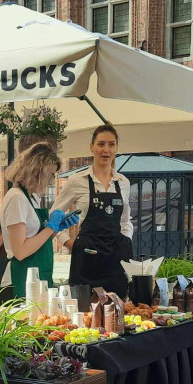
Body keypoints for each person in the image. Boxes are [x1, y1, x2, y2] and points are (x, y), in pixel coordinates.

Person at [52, 124, 133, 299]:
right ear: (92, 147)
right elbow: (53, 215)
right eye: (101, 144)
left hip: (116, 260)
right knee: (83, 311)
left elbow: (126, 220)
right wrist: (67, 242)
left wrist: (126, 240)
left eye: (111, 145)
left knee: (117, 313)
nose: (106, 150)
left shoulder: (123, 182)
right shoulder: (76, 181)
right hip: (87, 259)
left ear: (116, 148)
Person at [1, 142, 78, 297]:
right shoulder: (17, 198)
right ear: (36, 171)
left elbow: (34, 240)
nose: (51, 182)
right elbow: (21, 251)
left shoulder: (30, 198)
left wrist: (55, 229)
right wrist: (50, 227)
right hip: (20, 280)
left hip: (36, 277)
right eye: (50, 175)